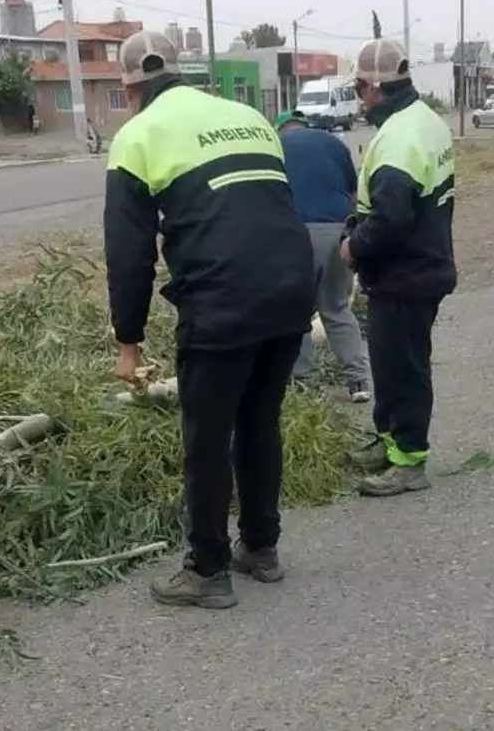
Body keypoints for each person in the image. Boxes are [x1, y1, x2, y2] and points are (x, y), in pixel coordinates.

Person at [104, 31, 316, 609]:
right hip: (291, 289)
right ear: (181, 73)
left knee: (207, 436)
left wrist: (128, 342)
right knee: (260, 421)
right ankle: (262, 549)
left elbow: (129, 254)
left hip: (223, 299)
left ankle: (207, 569)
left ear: (129, 87)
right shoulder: (248, 117)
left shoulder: (138, 135)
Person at [339, 38, 457, 497]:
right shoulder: (424, 119)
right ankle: (389, 440)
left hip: (406, 274)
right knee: (388, 364)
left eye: (358, 90)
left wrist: (353, 248)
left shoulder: (399, 139)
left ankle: (409, 459)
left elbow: (390, 220)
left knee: (404, 369)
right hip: (418, 266)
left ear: (373, 86)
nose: (359, 100)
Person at [273, 108, 373, 403]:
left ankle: (303, 383)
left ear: (280, 128)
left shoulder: (274, 147)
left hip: (296, 232)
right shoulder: (333, 143)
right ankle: (358, 381)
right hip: (339, 230)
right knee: (337, 307)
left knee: (296, 310)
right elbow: (353, 193)